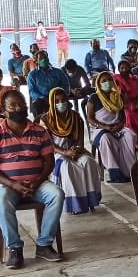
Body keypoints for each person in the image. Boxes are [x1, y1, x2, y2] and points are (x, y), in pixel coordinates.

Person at [0, 89, 64, 270]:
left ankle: (43, 244)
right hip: (8, 185)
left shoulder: (40, 131)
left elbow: (49, 161)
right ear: (4, 111)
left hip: (37, 183)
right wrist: (13, 184)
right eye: (12, 105)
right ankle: (14, 248)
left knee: (57, 194)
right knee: (2, 199)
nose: (18, 108)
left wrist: (37, 181)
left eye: (21, 104)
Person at [40, 86, 101, 215]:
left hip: (75, 151)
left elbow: (79, 138)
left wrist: (77, 150)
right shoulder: (46, 120)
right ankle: (75, 205)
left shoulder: (75, 116)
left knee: (88, 162)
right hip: (57, 153)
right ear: (52, 103)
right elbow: (48, 144)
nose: (61, 103)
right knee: (67, 166)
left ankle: (91, 200)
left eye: (63, 100)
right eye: (57, 101)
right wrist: (65, 153)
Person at [86, 71, 137, 183]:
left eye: (109, 80)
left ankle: (131, 171)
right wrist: (105, 126)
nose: (107, 83)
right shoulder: (94, 97)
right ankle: (116, 174)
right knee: (106, 139)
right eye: (104, 81)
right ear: (99, 84)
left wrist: (119, 125)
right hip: (100, 129)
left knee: (130, 135)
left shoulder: (118, 96)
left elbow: (122, 117)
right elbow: (90, 118)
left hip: (117, 128)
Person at [25, 50, 71, 119]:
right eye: (41, 58)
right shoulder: (32, 75)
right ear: (36, 61)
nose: (44, 59)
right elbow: (31, 91)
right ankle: (40, 126)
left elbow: (66, 85)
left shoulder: (57, 72)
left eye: (45, 57)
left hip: (57, 98)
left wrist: (61, 95)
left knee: (67, 106)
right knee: (36, 106)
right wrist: (43, 97)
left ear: (48, 59)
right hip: (42, 99)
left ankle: (64, 126)